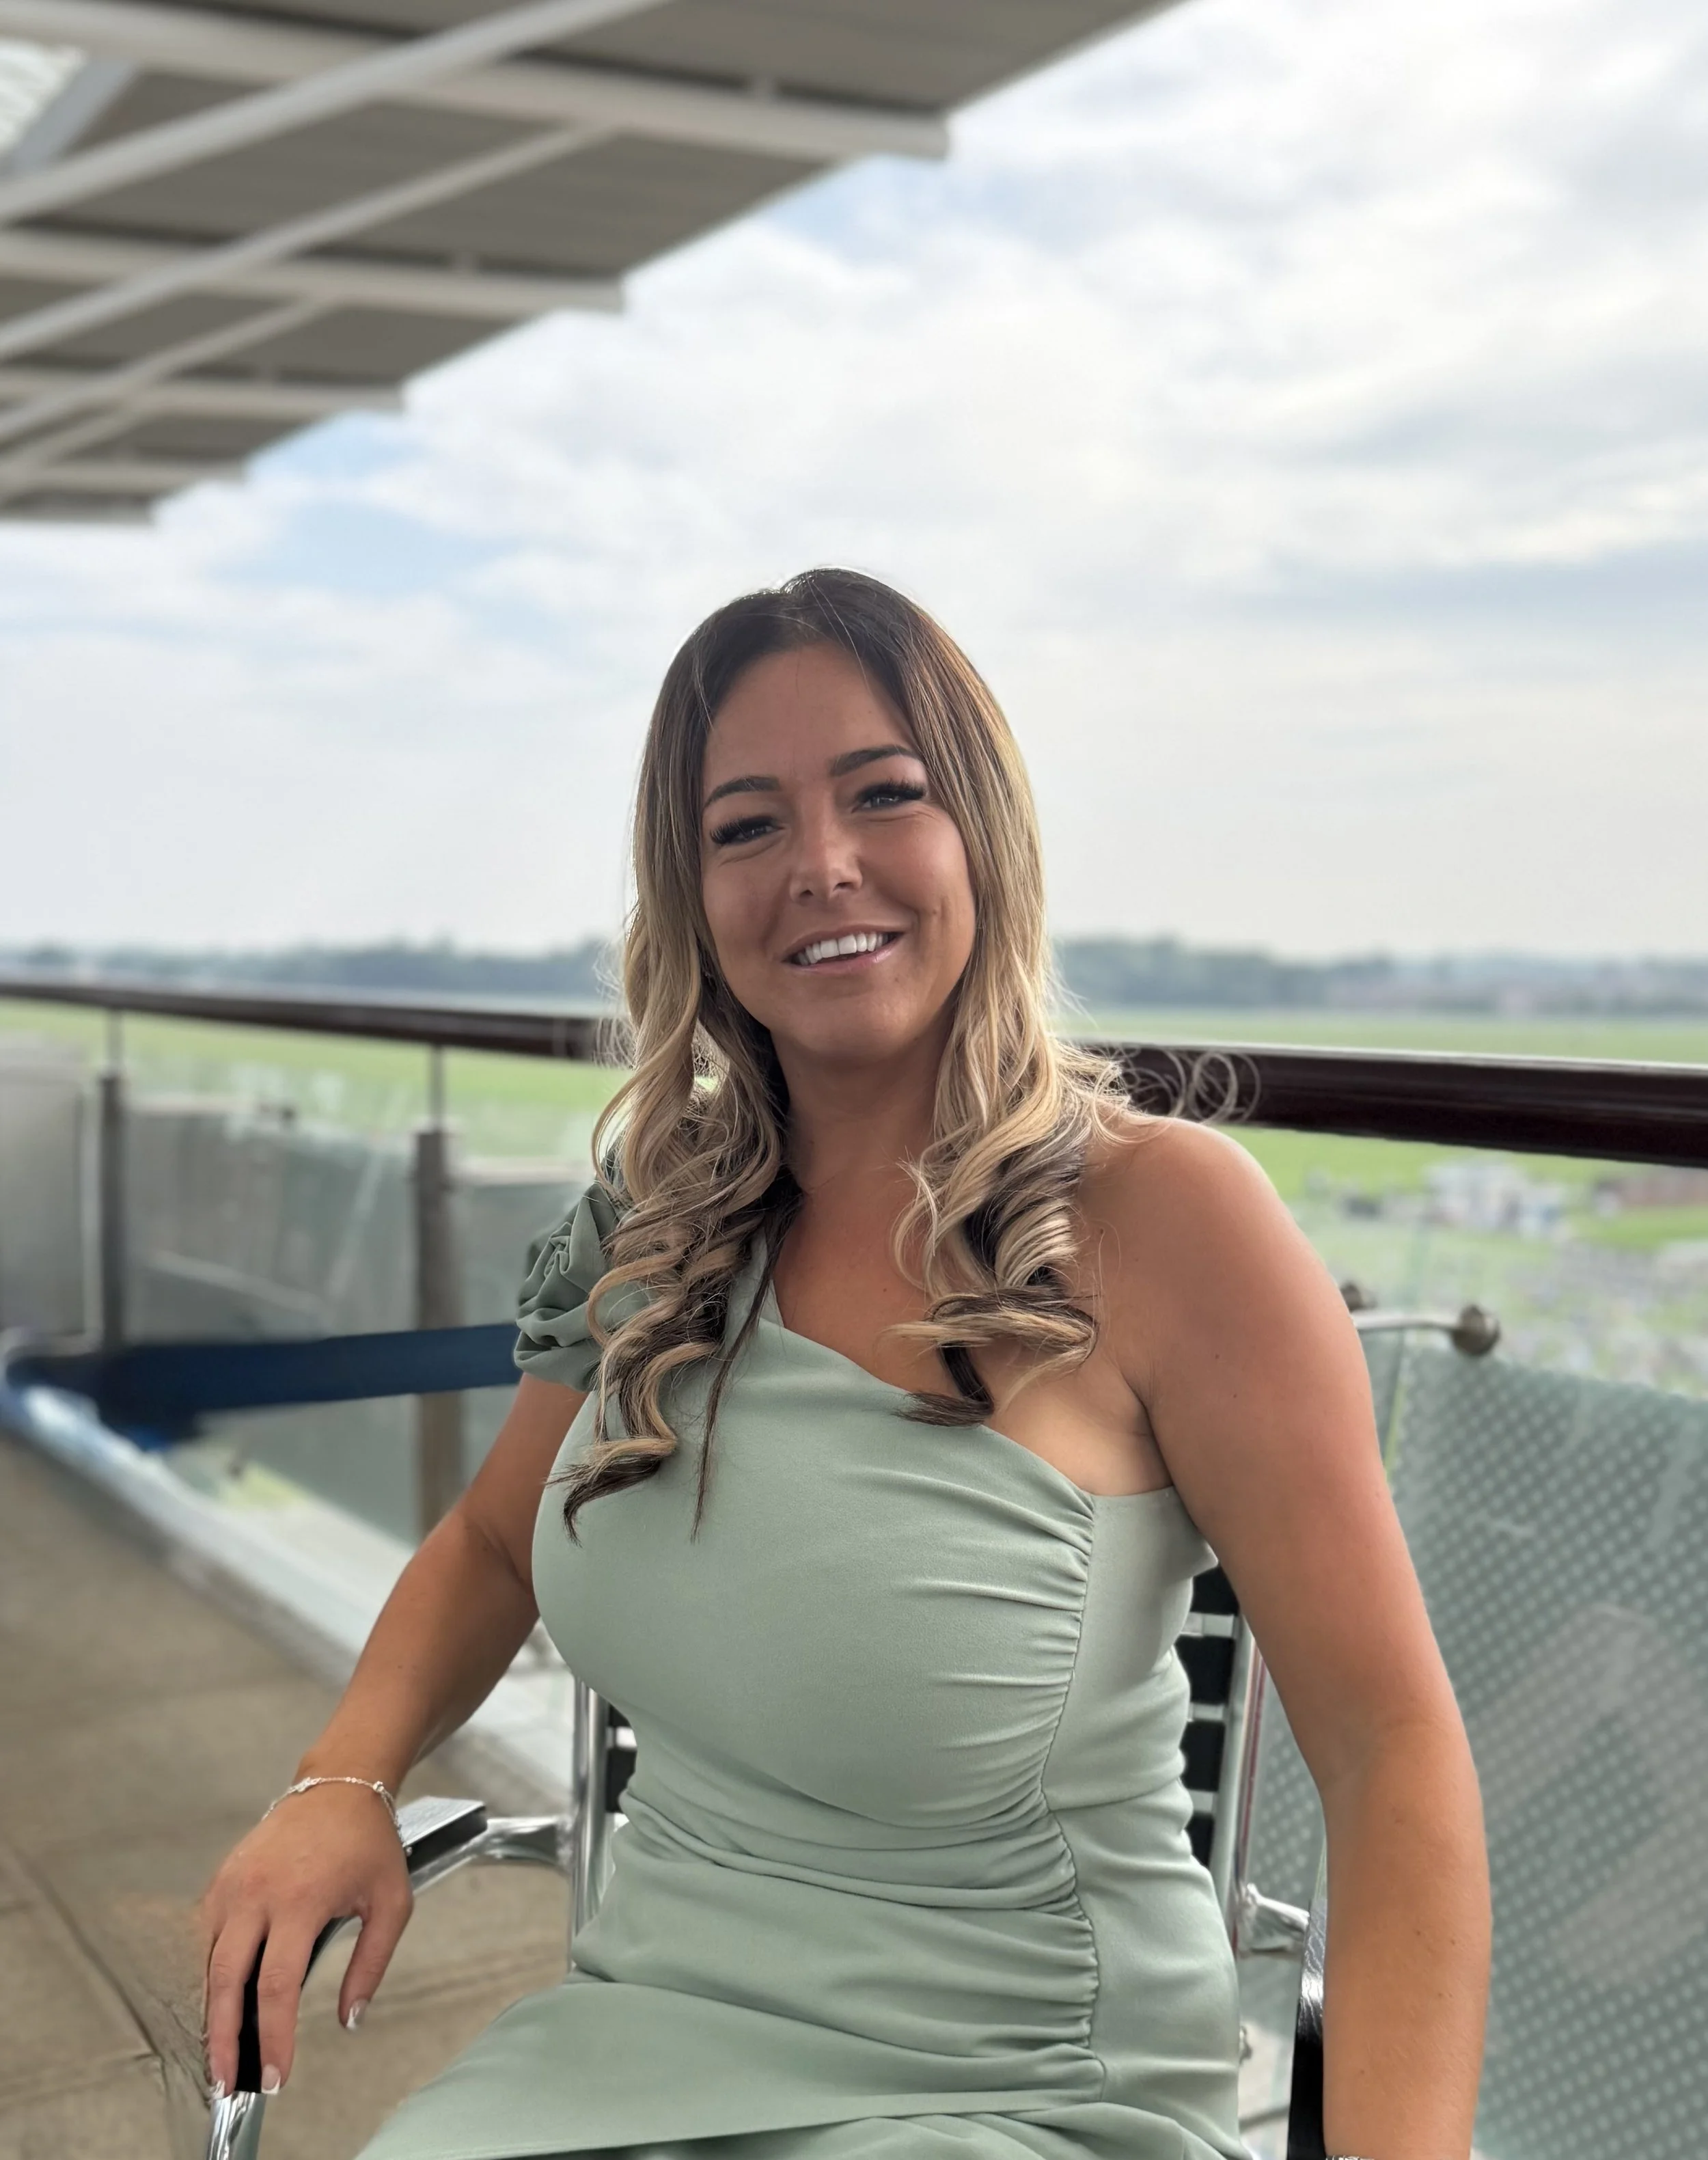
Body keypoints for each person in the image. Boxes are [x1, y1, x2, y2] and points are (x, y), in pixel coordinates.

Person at [200, 569, 1489, 2160]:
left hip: (1015, 2093)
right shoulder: (652, 1219)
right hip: (631, 2044)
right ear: (692, 896)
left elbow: (1387, 1747)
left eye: (883, 794)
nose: (819, 865)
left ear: (981, 837)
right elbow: (485, 1542)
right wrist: (341, 1778)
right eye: (743, 826)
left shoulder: (1165, 1222)